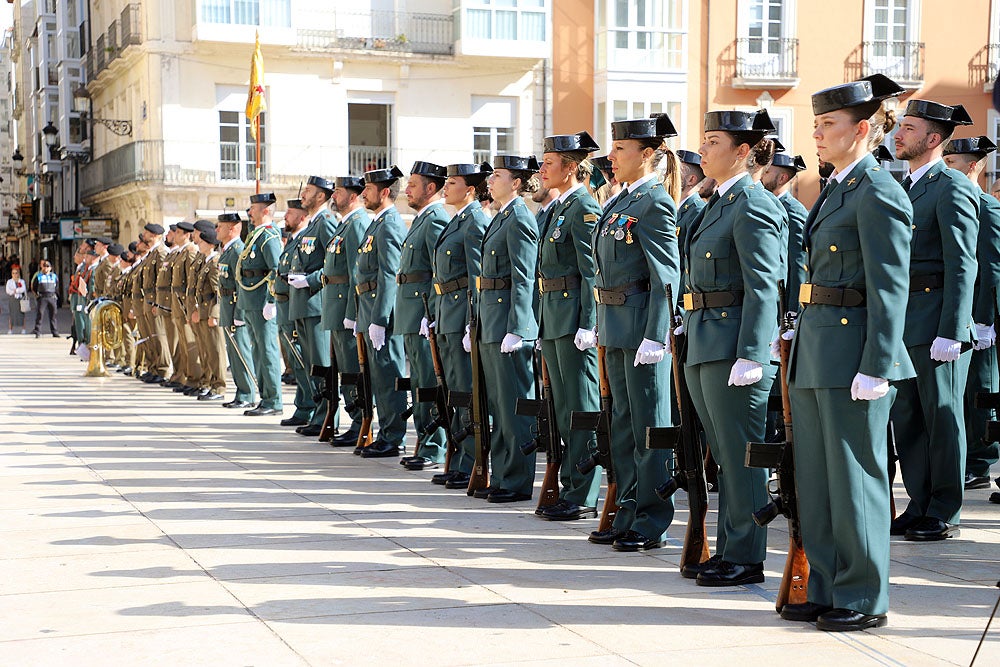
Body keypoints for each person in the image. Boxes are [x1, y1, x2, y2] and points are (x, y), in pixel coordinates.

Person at [784, 73, 914, 631]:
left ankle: (862, 596)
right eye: (814, 123)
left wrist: (878, 365)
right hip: (818, 348)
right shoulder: (838, 187)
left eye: (827, 124)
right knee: (816, 479)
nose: (816, 133)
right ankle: (826, 584)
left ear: (860, 129)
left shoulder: (880, 191)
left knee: (856, 477)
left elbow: (891, 286)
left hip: (854, 354)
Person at [681, 110, 784, 585]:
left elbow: (764, 286)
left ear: (742, 151)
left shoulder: (753, 202)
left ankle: (745, 555)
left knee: (741, 457)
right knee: (723, 454)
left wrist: (753, 352)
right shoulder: (716, 203)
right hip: (704, 340)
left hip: (733, 345)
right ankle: (730, 547)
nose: (703, 149)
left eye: (713, 140)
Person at [890, 99, 979, 542]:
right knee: (908, 419)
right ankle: (919, 502)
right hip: (903, 322)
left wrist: (953, 329)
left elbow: (963, 264)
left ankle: (945, 507)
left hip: (936, 319)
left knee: (942, 418)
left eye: (908, 128)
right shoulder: (901, 188)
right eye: (899, 126)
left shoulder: (951, 186)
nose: (897, 134)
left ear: (932, 139)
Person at [590, 114, 679, 549]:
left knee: (649, 427)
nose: (612, 155)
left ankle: (651, 517)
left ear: (647, 155)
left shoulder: (654, 202)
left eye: (621, 149)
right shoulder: (616, 203)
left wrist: (656, 334)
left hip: (642, 330)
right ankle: (626, 509)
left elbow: (666, 276)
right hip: (614, 327)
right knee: (623, 426)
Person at [535, 131, 603, 520]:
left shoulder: (582, 208)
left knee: (580, 407)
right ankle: (569, 486)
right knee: (562, 409)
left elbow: (591, 272)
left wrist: (588, 323)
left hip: (573, 320)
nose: (542, 170)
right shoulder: (557, 208)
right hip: (553, 318)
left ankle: (584, 491)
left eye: (549, 163)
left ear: (571, 167)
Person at [477, 155, 541, 503]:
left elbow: (524, 277)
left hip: (507, 323)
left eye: (498, 175)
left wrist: (518, 326)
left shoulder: (519, 217)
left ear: (516, 182)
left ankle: (516, 480)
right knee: (499, 406)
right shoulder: (500, 216)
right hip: (491, 320)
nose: (491, 179)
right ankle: (502, 473)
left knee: (514, 406)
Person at [941, 136, 1000, 491]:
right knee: (961, 391)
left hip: (980, 315)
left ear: (973, 166)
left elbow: (991, 269)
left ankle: (980, 461)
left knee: (982, 388)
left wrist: (984, 319)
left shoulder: (986, 208)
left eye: (953, 164)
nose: (946, 171)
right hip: (954, 311)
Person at [429, 162, 491, 488]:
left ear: (469, 189)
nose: (445, 187)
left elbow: (477, 278)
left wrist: (473, 320)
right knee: (454, 392)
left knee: (467, 392)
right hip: (447, 313)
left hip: (461, 315)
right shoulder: (457, 220)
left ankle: (471, 461)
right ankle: (460, 457)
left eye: (452, 182)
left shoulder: (475, 222)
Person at [397, 161, 449, 470]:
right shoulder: (421, 219)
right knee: (418, 379)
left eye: (413, 184)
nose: (407, 190)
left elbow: (436, 271)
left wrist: (429, 311)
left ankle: (434, 445)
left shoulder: (436, 219)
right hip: (411, 308)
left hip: (423, 309)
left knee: (430, 379)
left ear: (431, 188)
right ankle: (424, 443)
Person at [355, 165, 409, 458]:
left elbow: (389, 274)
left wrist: (379, 318)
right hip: (368, 308)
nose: (363, 193)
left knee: (389, 375)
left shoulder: (389, 224)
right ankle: (387, 430)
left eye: (369, 189)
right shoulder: (376, 223)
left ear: (384, 192)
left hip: (380, 313)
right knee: (378, 376)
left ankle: (393, 435)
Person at [288, 177, 339, 437]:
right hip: (304, 303)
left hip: (316, 303)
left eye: (308, 191)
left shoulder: (327, 222)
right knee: (311, 365)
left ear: (321, 196)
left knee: (321, 364)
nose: (303, 195)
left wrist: (308, 279)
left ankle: (327, 416)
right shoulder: (312, 223)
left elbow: (334, 263)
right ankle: (319, 414)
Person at [326, 176, 371, 446]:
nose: (334, 195)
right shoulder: (344, 226)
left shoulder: (356, 225)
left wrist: (352, 311)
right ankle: (354, 419)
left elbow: (357, 272)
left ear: (353, 197)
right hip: (335, 305)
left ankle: (359, 422)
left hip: (346, 305)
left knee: (354, 370)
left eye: (339, 192)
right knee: (345, 370)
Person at [237, 192, 284, 416]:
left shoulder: (269, 236)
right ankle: (265, 397)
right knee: (258, 352)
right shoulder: (255, 235)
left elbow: (277, 268)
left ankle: (273, 400)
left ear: (265, 211)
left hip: (261, 300)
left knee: (267, 351)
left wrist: (271, 300)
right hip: (251, 300)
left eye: (253, 208)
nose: (249, 212)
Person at [276, 200, 314, 426]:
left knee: (302, 361)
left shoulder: (304, 239)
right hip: (285, 306)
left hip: (296, 305)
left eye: (289, 214)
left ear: (301, 218)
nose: (285, 218)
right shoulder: (292, 240)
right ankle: (303, 406)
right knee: (295, 360)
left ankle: (308, 406)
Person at [217, 213, 257, 408]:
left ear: (233, 228)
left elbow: (241, 284)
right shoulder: (227, 250)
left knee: (241, 353)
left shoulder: (237, 250)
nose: (216, 230)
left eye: (220, 226)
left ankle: (248, 394)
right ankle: (241, 392)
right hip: (226, 306)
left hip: (234, 307)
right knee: (233, 355)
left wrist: (239, 314)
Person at [763, 153, 810, 313]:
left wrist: (792, 310)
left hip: (782, 305)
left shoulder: (792, 210)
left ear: (782, 178)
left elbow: (798, 263)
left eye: (767, 172)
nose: (761, 175)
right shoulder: (768, 206)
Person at [189, 224, 226, 401]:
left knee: (215, 351)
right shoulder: (205, 261)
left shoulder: (215, 262)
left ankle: (219, 387)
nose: (199, 245)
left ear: (210, 244)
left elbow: (218, 291)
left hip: (210, 313)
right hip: (202, 311)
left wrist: (215, 314)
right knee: (206, 350)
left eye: (202, 242)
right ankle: (208, 383)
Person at [30, 259, 59, 337]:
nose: (45, 268)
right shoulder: (39, 276)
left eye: (47, 267)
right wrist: (37, 295)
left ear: (50, 268)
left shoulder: (54, 276)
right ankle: (37, 331)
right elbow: (34, 286)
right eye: (44, 266)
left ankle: (54, 331)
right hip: (42, 297)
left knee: (53, 315)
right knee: (40, 314)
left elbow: (56, 286)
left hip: (52, 297)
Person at [5, 266, 28, 334]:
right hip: (13, 299)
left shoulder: (21, 281)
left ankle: (23, 329)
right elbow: (8, 290)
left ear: (18, 274)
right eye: (13, 273)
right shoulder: (9, 281)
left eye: (16, 273)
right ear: (11, 274)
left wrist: (16, 290)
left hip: (21, 299)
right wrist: (14, 291)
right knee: (12, 314)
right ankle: (10, 329)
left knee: (22, 314)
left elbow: (23, 289)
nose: (15, 275)